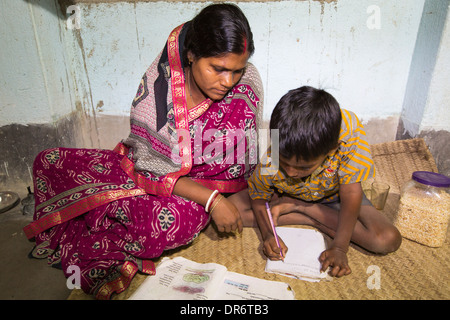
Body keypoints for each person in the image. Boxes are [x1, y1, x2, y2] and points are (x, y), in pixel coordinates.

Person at [23, 3, 263, 299]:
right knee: (49, 161)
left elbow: (250, 153)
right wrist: (213, 201)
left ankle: (101, 220)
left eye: (236, 71)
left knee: (166, 224)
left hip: (192, 193)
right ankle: (95, 217)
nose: (228, 82)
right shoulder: (159, 89)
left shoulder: (247, 82)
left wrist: (220, 195)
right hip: (147, 172)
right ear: (191, 55)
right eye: (218, 69)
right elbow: (147, 164)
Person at [243, 86, 401, 278]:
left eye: (303, 168)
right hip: (287, 192)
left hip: (336, 197)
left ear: (331, 149)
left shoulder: (348, 134)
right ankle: (308, 216)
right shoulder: (272, 159)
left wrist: (340, 248)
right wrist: (268, 235)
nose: (292, 172)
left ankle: (302, 209)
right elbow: (258, 196)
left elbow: (351, 192)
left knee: (387, 240)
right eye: (284, 163)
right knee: (235, 214)